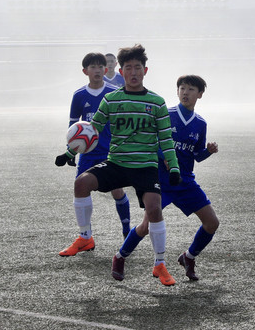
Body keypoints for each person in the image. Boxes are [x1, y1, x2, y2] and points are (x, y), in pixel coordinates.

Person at [57, 44, 181, 286]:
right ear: (120, 72)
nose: (133, 72)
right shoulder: (111, 99)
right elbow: (92, 130)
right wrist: (69, 152)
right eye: (128, 68)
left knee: (154, 209)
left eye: (137, 68)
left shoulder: (156, 102)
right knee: (81, 184)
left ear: (145, 70)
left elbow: (166, 139)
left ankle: (159, 265)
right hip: (117, 163)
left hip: (145, 166)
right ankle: (85, 237)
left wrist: (174, 167)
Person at [111, 75, 219, 282]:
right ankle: (119, 257)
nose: (185, 92)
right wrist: (165, 157)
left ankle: (189, 257)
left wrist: (208, 151)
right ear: (177, 91)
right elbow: (149, 142)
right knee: (145, 227)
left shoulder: (200, 124)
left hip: (185, 182)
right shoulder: (165, 115)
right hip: (160, 181)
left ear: (200, 94)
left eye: (191, 89)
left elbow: (196, 155)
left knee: (212, 222)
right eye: (182, 88)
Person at [55, 53, 131, 255]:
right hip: (87, 154)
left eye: (100, 66)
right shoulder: (79, 95)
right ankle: (86, 237)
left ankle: (126, 230)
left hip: (111, 152)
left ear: (106, 70)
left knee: (117, 191)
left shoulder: (115, 93)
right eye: (92, 67)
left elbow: (124, 124)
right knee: (80, 188)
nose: (97, 70)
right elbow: (74, 128)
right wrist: (70, 152)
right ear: (85, 71)